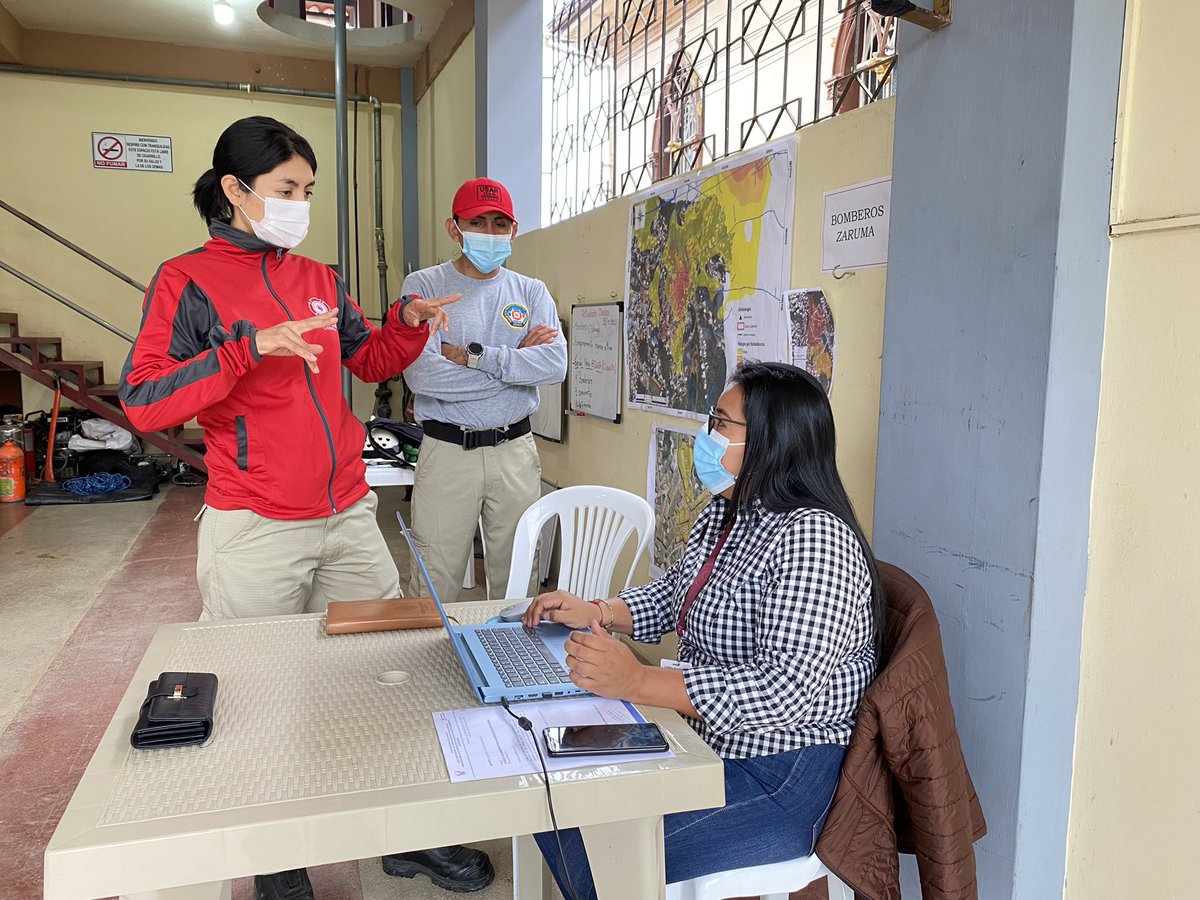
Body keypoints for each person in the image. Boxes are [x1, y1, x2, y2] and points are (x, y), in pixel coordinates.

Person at [118, 116, 493, 900]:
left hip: (348, 515)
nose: (299, 204)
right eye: (286, 190)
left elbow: (370, 357)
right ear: (235, 190)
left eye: (308, 191)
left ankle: (401, 838)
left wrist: (408, 326)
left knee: (382, 679)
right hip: (256, 524)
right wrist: (246, 349)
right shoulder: (186, 281)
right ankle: (279, 865)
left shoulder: (318, 277)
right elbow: (147, 402)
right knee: (260, 697)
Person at [521, 362, 884, 897]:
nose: (706, 435)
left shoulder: (816, 539)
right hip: (704, 739)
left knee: (596, 848)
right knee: (551, 789)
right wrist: (598, 611)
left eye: (721, 422)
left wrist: (637, 684)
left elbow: (783, 691)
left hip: (780, 770)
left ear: (771, 441)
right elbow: (674, 596)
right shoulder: (728, 512)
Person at [401, 178, 566, 603]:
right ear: (453, 228)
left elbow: (553, 365)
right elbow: (423, 377)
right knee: (434, 573)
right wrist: (514, 363)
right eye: (478, 222)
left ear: (513, 229)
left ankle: (511, 664)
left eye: (499, 223)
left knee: (518, 574)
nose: (490, 233)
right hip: (447, 451)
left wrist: (475, 356)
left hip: (514, 449)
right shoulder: (424, 287)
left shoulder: (531, 291)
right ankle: (430, 665)